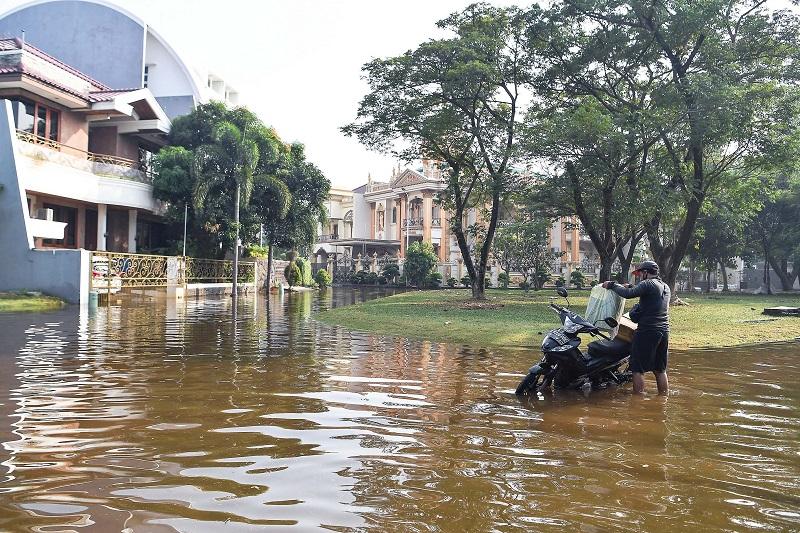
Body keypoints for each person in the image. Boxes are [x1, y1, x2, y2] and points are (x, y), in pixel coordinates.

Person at [602, 260, 670, 395]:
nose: (639, 276)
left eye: (640, 274)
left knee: (637, 369)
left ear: (645, 273)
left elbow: (628, 294)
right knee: (660, 369)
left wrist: (612, 285)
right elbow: (646, 293)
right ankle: (664, 397)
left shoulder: (647, 284)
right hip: (664, 331)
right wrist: (631, 286)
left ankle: (638, 401)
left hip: (647, 331)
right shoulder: (664, 286)